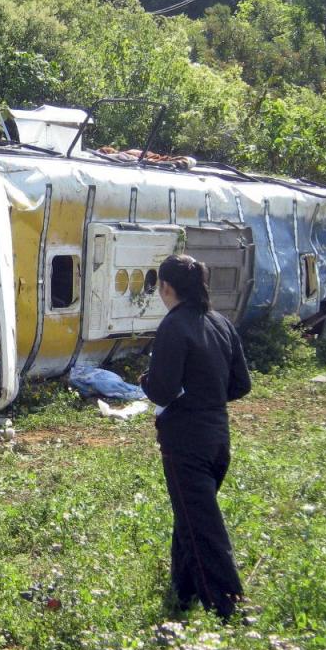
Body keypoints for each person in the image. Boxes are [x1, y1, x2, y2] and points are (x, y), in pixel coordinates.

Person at [140, 254, 251, 621]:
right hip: (218, 439)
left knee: (203, 529)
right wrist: (207, 396)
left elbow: (162, 390)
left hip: (185, 441)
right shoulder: (220, 323)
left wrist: (145, 381)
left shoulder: (174, 326)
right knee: (190, 516)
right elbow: (241, 384)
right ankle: (181, 594)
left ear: (166, 288)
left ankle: (229, 609)